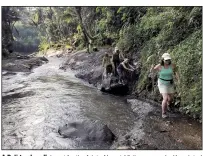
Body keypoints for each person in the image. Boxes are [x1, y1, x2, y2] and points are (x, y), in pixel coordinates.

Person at [150, 53, 180, 118]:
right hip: (162, 83)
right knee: (165, 98)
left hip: (170, 83)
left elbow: (176, 72)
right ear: (163, 60)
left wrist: (178, 80)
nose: (167, 61)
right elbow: (153, 70)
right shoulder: (159, 66)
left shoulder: (173, 65)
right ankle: (163, 113)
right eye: (166, 60)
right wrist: (152, 68)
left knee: (170, 98)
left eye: (168, 60)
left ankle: (169, 105)